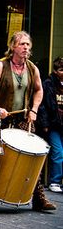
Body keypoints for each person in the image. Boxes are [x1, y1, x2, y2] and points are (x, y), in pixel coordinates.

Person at [0, 31, 56, 211]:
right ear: (13, 46)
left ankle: (38, 198)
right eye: (22, 44)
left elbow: (39, 90)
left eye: (28, 44)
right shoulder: (0, 66)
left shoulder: (32, 68)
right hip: (0, 119)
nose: (25, 48)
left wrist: (34, 109)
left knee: (32, 157)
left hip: (23, 118)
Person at [37, 56, 63, 193]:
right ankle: (55, 181)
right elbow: (43, 106)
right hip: (54, 124)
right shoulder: (48, 83)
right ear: (55, 71)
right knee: (58, 152)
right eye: (61, 69)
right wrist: (45, 124)